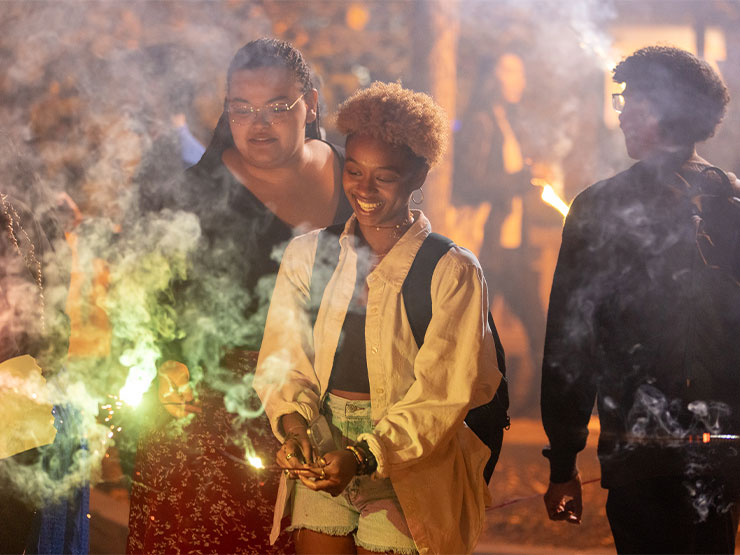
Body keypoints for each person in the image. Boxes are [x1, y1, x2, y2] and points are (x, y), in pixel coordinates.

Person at [254, 81, 502, 554]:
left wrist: (365, 453)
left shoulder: (451, 269)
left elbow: (442, 395)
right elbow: (282, 360)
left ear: (418, 177)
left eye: (384, 177)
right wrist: (295, 429)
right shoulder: (308, 255)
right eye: (354, 171)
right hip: (324, 447)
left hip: (410, 459)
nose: (363, 189)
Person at [126, 38, 351, 554]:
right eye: (242, 108)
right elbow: (147, 292)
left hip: (330, 413)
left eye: (277, 107)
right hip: (210, 420)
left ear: (310, 104)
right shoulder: (191, 194)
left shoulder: (355, 180)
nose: (259, 123)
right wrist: (168, 362)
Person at [540, 46, 740, 553]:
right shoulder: (731, 204)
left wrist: (565, 463)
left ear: (670, 110)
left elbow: (570, 345)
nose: (623, 115)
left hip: (645, 456)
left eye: (635, 103)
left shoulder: (600, 208)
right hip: (718, 456)